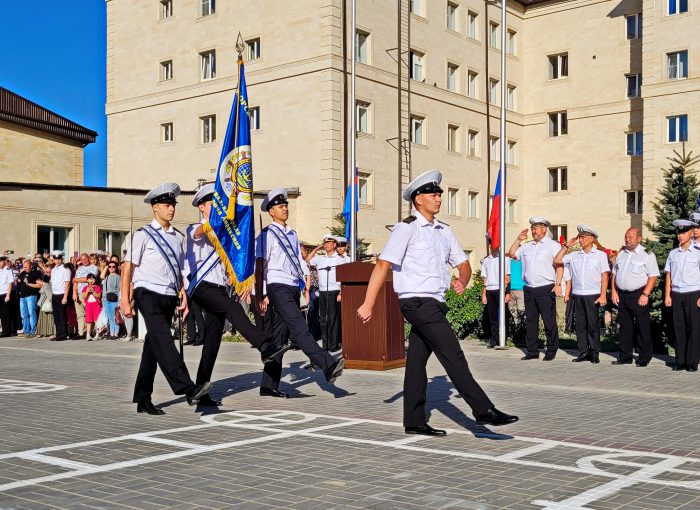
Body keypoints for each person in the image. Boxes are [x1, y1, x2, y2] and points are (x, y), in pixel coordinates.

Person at [358, 170, 518, 435]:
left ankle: (414, 420)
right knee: (452, 352)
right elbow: (383, 264)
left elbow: (463, 264)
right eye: (433, 194)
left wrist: (463, 280)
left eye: (439, 194)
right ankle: (482, 410)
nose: (439, 198)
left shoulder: (444, 231)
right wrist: (368, 302)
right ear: (418, 199)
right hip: (416, 301)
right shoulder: (406, 229)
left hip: (436, 301)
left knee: (417, 362)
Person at [184, 184, 291, 405]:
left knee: (213, 342)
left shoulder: (225, 234)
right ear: (202, 207)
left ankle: (200, 390)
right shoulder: (194, 228)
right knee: (232, 309)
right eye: (211, 203)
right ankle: (264, 346)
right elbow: (199, 233)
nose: (215, 206)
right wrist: (218, 220)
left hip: (219, 288)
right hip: (201, 287)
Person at [120, 182, 211, 415]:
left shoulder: (177, 237)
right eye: (166, 204)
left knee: (154, 346)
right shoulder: (142, 235)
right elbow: (128, 268)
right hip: (147, 292)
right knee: (164, 339)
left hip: (169, 294)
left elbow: (179, 269)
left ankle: (143, 397)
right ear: (154, 207)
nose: (171, 209)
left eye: (172, 205)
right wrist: (124, 299)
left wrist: (182, 293)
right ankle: (187, 387)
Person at [255, 187, 345, 393]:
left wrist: (304, 285)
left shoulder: (293, 234)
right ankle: (327, 364)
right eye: (280, 206)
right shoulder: (267, 234)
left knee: (279, 336)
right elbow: (260, 264)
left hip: (292, 286)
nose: (285, 208)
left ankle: (268, 385)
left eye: (285, 205)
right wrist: (260, 294)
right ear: (271, 211)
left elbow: (299, 261)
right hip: (276, 285)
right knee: (299, 327)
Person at [507, 218, 563, 361]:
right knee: (531, 321)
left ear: (544, 229)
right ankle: (532, 351)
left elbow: (560, 265)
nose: (533, 231)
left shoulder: (553, 245)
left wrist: (558, 284)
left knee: (548, 320)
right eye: (532, 228)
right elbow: (512, 254)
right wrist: (518, 239)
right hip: (530, 288)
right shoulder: (527, 246)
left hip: (545, 287)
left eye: (536, 228)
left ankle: (551, 349)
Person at [554, 225, 610, 364]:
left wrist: (603, 295)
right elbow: (557, 260)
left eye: (583, 237)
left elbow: (605, 276)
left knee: (593, 325)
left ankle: (594, 352)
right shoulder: (574, 255)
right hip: (577, 294)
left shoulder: (600, 255)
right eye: (580, 237)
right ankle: (583, 352)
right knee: (580, 325)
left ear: (592, 238)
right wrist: (566, 246)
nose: (581, 240)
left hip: (593, 294)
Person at [610, 227, 659, 367]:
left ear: (639, 238)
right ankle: (625, 356)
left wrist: (645, 294)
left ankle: (644, 357)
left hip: (639, 294)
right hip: (622, 295)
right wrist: (613, 291)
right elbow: (614, 274)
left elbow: (653, 275)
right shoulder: (621, 254)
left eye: (631, 237)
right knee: (625, 327)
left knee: (642, 327)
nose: (627, 239)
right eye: (626, 237)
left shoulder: (647, 254)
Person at [664, 219, 700, 372]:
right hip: (677, 294)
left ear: (691, 233)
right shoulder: (673, 253)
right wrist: (667, 295)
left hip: (693, 293)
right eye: (679, 232)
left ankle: (692, 361)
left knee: (694, 328)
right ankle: (680, 360)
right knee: (678, 328)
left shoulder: (698, 252)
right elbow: (669, 275)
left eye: (683, 232)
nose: (680, 235)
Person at [306, 235, 345, 352]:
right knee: (323, 319)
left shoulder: (339, 259)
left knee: (333, 319)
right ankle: (325, 344)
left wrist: (341, 292)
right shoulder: (320, 258)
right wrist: (316, 249)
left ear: (334, 244)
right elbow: (307, 260)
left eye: (329, 243)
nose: (326, 245)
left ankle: (333, 344)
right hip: (322, 291)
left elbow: (343, 276)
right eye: (325, 243)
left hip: (334, 291)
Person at [480, 241, 511, 348]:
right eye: (490, 245)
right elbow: (485, 278)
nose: (492, 247)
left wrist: (508, 293)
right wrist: (484, 294)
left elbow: (508, 277)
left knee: (503, 314)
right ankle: (495, 339)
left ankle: (504, 338)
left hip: (501, 288)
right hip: (490, 289)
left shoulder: (505, 259)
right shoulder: (486, 260)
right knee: (492, 316)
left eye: (494, 245)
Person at [73, 253, 99, 339]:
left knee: (90, 314)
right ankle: (81, 333)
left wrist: (76, 279)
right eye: (82, 259)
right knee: (80, 314)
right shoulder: (79, 269)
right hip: (79, 293)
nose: (84, 260)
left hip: (89, 294)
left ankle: (90, 332)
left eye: (86, 258)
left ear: (88, 258)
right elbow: (75, 282)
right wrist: (74, 292)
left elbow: (89, 279)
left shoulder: (94, 268)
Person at [48, 251, 71, 341]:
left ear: (62, 259)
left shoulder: (65, 269)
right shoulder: (53, 270)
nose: (57, 261)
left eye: (59, 259)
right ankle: (58, 333)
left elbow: (67, 284)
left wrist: (65, 297)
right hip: (55, 294)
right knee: (56, 316)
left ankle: (63, 334)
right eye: (55, 259)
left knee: (62, 315)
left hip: (62, 294)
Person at [18, 260, 43, 338]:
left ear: (31, 266)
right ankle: (26, 331)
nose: (25, 268)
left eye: (26, 266)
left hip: (31, 296)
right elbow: (19, 282)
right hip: (22, 297)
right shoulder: (22, 273)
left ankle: (33, 331)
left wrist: (29, 284)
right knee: (24, 315)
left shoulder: (35, 274)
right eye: (24, 266)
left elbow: (39, 285)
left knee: (32, 313)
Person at [102, 260, 121, 339]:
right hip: (106, 299)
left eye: (113, 266)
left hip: (114, 299)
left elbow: (120, 289)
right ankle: (112, 333)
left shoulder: (118, 277)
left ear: (116, 268)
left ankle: (116, 333)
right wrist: (106, 266)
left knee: (115, 316)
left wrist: (119, 300)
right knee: (109, 316)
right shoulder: (106, 277)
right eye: (110, 267)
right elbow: (101, 276)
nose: (111, 268)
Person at [82, 273, 103, 340]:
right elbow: (84, 297)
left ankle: (97, 334)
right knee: (88, 320)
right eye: (90, 279)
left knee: (96, 320)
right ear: (87, 280)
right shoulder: (85, 288)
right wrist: (87, 291)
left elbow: (99, 296)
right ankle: (88, 335)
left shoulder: (97, 287)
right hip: (88, 305)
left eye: (93, 278)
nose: (91, 280)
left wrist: (93, 291)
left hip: (96, 305)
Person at [0, 257, 17, 337]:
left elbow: (10, 283)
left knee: (6, 313)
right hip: (0, 293)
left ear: (4, 261)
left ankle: (7, 331)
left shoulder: (8, 270)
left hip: (5, 293)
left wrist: (8, 295)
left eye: (0, 262)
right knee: (1, 314)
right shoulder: (0, 270)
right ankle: (4, 330)